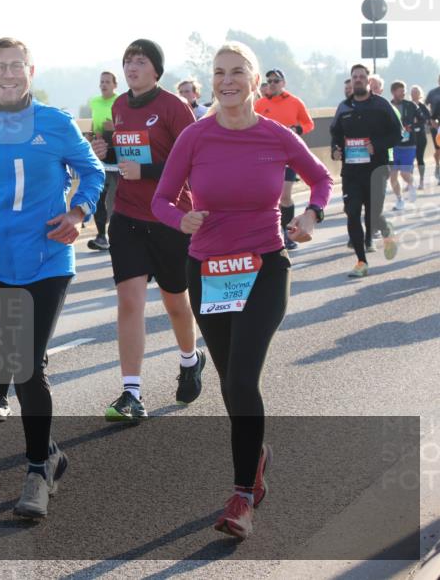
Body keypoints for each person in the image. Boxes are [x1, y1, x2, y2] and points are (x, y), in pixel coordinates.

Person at [152, 41, 332, 540]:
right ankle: (256, 460)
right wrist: (180, 219)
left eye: (236, 73)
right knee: (231, 382)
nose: (226, 81)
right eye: (218, 73)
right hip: (209, 271)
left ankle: (242, 498)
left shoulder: (276, 135)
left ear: (255, 82)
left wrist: (312, 215)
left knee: (242, 379)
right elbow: (162, 199)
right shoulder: (195, 136)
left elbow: (321, 180)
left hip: (264, 267)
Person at [0, 37, 103, 518]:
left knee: (27, 364)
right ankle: (49, 452)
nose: (8, 74)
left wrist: (78, 212)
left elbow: (92, 171)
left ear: (31, 72)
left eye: (16, 65)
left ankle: (36, 471)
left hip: (48, 258)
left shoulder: (55, 123)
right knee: (19, 357)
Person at [90, 39, 205, 422]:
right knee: (129, 301)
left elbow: (194, 160)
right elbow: (127, 156)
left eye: (140, 61)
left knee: (175, 302)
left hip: (170, 217)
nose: (132, 67)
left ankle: (190, 360)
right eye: (127, 61)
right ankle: (131, 393)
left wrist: (149, 171)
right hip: (128, 217)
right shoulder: (120, 106)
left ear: (156, 69)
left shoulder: (174, 106)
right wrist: (107, 152)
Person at [330, 64, 404, 277]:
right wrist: (335, 150)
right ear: (351, 80)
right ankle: (361, 262)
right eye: (355, 77)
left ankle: (386, 228)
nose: (358, 79)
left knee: (373, 213)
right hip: (351, 171)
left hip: (376, 169)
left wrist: (377, 146)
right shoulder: (344, 107)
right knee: (352, 213)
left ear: (368, 80)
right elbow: (335, 134)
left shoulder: (381, 105)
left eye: (362, 76)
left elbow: (397, 134)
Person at [254, 69, 315, 250]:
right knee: (269, 198)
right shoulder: (260, 104)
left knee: (285, 197)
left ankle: (289, 235)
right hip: (266, 156)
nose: (272, 84)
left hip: (288, 154)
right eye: (269, 81)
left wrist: (298, 130)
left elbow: (309, 123)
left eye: (276, 80)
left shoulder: (295, 102)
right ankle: (273, 234)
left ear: (283, 83)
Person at [87, 71, 119, 251]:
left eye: (107, 82)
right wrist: (91, 136)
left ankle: (121, 235)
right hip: (101, 150)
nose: (104, 85)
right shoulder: (95, 102)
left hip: (119, 151)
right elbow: (94, 124)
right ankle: (101, 236)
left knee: (119, 197)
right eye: (101, 82)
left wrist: (114, 128)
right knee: (99, 194)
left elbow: (130, 125)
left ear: (115, 85)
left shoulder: (121, 101)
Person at [388, 81, 419, 209]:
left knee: (404, 174)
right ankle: (400, 200)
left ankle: (411, 184)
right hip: (393, 147)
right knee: (393, 176)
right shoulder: (388, 106)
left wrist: (413, 127)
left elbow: (422, 119)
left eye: (404, 91)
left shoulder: (411, 105)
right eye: (401, 91)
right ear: (393, 92)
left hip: (408, 146)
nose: (404, 93)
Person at [409, 86, 431, 190]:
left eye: (416, 92)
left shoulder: (422, 106)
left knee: (420, 158)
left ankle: (421, 181)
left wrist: (418, 120)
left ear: (420, 94)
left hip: (421, 136)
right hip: (411, 137)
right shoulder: (408, 105)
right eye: (413, 92)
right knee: (410, 159)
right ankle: (409, 182)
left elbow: (427, 118)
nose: (414, 94)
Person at [426, 74, 440, 182]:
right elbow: (425, 106)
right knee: (438, 150)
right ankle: (437, 165)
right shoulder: (433, 93)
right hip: (436, 124)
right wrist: (431, 120)